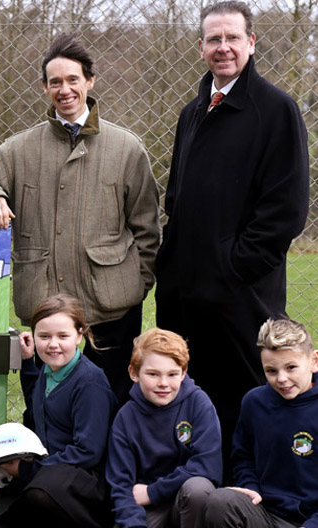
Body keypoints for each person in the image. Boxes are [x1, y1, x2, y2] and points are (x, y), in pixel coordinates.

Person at [0, 33, 159, 404]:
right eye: (56, 82)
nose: (65, 90)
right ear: (45, 88)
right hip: (47, 311)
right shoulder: (20, 149)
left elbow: (147, 228)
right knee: (47, 403)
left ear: (89, 82)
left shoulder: (126, 148)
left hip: (109, 308)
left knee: (112, 401)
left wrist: (134, 283)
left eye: (73, 80)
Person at [154, 0, 310, 464]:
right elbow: (176, 200)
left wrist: (233, 268)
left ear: (251, 43)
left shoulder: (276, 110)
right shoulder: (193, 113)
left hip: (240, 298)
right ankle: (189, 491)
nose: (223, 48)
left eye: (232, 38)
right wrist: (172, 265)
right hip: (184, 296)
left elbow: (286, 211)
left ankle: (248, 498)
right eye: (214, 40)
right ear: (201, 47)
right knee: (185, 407)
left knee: (244, 403)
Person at [0, 293, 117, 527]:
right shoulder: (48, 370)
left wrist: (27, 468)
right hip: (48, 468)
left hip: (83, 478)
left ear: (79, 335)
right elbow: (40, 404)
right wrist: (27, 362)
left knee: (39, 494)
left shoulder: (90, 383)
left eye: (63, 336)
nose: (53, 344)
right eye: (44, 336)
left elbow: (88, 451)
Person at [204, 318, 318, 528]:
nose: (281, 378)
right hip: (266, 513)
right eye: (271, 371)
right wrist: (250, 488)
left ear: (314, 361)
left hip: (311, 519)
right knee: (220, 502)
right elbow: (242, 457)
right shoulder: (254, 402)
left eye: (291, 367)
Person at [107, 328, 222, 528]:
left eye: (172, 374)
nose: (163, 383)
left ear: (183, 373)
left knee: (198, 487)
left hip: (182, 498)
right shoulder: (125, 418)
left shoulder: (198, 403)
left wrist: (153, 492)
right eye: (153, 374)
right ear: (134, 373)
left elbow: (208, 466)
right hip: (147, 509)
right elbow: (121, 486)